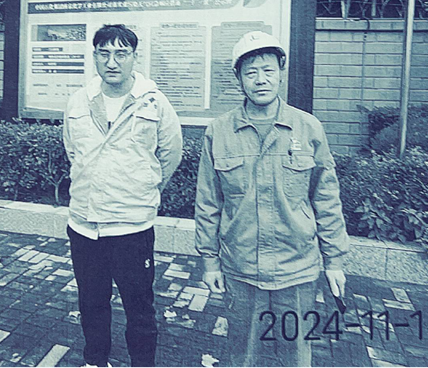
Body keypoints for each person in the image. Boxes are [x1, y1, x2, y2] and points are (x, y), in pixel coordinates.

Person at [195, 31, 349, 368]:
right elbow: (208, 203)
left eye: (268, 70)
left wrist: (334, 260)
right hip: (240, 268)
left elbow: (326, 198)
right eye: (250, 72)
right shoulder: (218, 132)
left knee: (296, 357)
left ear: (281, 72)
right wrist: (209, 261)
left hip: (297, 269)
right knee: (241, 357)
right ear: (238, 78)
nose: (260, 80)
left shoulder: (308, 128)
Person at [63, 24, 183, 368]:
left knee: (139, 307)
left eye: (121, 53)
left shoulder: (154, 101)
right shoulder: (79, 100)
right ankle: (95, 360)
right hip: (84, 227)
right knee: (91, 302)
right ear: (95, 57)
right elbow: (73, 150)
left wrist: (143, 188)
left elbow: (170, 153)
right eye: (104, 53)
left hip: (132, 228)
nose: (112, 62)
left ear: (134, 57)